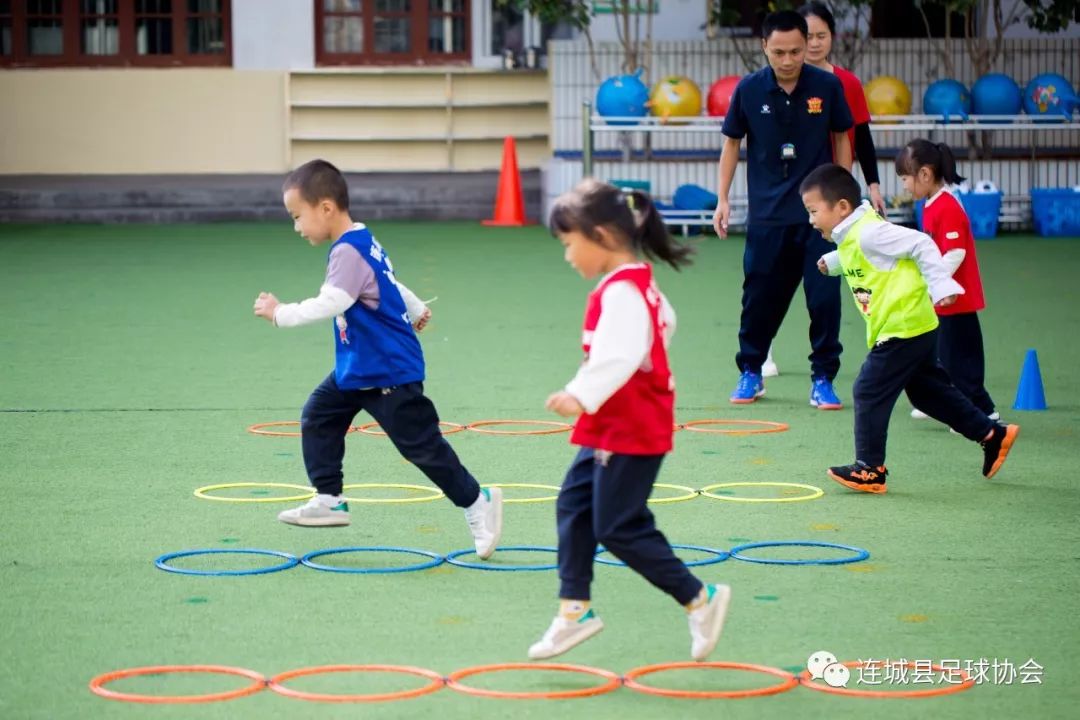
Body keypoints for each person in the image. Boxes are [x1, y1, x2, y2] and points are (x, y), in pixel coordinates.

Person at [252, 159, 503, 559]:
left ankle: (477, 502)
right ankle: (330, 499)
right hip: (358, 367)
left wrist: (281, 313)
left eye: (298, 217)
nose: (297, 227)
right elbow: (386, 279)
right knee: (318, 416)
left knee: (421, 447)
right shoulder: (361, 240)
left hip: (387, 368)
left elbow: (334, 300)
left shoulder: (349, 251)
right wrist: (417, 306)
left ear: (326, 209)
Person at [529, 179, 730, 661]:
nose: (567, 255)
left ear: (600, 235)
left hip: (630, 427)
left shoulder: (622, 291)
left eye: (568, 244)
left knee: (618, 526)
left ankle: (699, 599)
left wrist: (579, 394)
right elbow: (664, 324)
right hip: (612, 425)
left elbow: (618, 355)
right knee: (574, 506)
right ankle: (574, 611)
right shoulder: (636, 282)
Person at [800, 164, 1019, 494]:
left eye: (814, 211)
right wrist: (833, 262)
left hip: (903, 327)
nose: (811, 220)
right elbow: (862, 255)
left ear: (842, 207)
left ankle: (870, 468)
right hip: (914, 324)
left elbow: (921, 244)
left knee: (867, 389)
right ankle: (992, 434)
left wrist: (941, 285)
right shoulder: (852, 234)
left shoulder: (871, 232)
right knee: (928, 393)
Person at [712, 10, 853, 410]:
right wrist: (722, 199)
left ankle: (823, 378)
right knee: (759, 298)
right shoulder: (749, 89)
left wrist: (842, 195)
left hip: (821, 221)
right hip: (768, 216)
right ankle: (750, 371)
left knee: (824, 299)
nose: (788, 60)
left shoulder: (826, 85)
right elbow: (731, 144)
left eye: (795, 51)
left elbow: (843, 134)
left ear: (807, 44)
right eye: (779, 52)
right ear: (764, 48)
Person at [896, 139, 998, 423]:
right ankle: (942, 404)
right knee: (939, 356)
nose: (904, 185)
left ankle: (984, 411)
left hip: (957, 300)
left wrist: (933, 283)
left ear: (925, 175)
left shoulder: (947, 206)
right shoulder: (931, 203)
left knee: (961, 360)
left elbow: (955, 253)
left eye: (905, 178)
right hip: (942, 300)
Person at [800, 2, 887, 215]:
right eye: (808, 37)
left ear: (832, 36)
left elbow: (862, 138)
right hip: (795, 183)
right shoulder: (784, 85)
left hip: (834, 185)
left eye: (821, 36)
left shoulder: (849, 83)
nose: (814, 44)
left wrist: (873, 186)